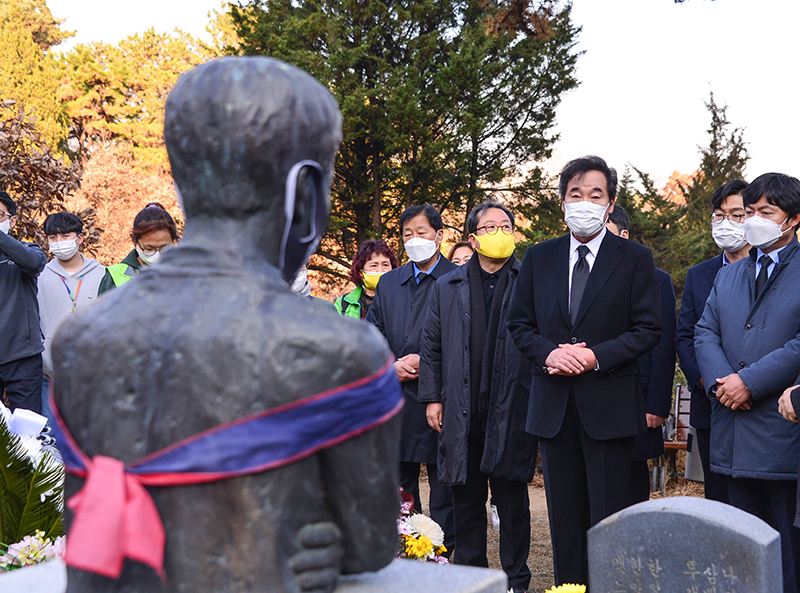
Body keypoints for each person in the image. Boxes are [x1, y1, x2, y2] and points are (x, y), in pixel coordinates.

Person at [51, 56, 402, 592]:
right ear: (306, 193)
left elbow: (92, 524)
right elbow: (370, 544)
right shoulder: (341, 350)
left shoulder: (77, 339)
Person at [507, 155, 662, 586]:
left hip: (609, 405)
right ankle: (569, 586)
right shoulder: (540, 257)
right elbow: (519, 324)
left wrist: (596, 355)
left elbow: (648, 328)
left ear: (610, 203)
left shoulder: (633, 257)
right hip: (553, 406)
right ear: (562, 202)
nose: (585, 202)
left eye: (596, 194)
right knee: (564, 517)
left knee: (608, 515)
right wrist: (549, 354)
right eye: (576, 194)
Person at [420, 201, 537, 592]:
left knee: (513, 502)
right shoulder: (447, 285)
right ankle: (472, 578)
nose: (499, 232)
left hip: (510, 405)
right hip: (461, 408)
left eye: (506, 225)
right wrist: (433, 398)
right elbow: (432, 345)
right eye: (489, 226)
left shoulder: (528, 279)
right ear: (473, 237)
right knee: (466, 501)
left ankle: (516, 579)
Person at [695, 172, 800, 593]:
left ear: (792, 219)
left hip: (782, 434)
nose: (754, 220)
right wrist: (724, 384)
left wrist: (749, 383)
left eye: (765, 212)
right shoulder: (730, 275)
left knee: (785, 557)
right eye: (750, 211)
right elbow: (705, 331)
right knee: (740, 556)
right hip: (732, 432)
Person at [365, 204, 457, 553]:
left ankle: (448, 556)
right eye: (407, 234)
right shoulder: (390, 283)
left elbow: (466, 339)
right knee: (402, 488)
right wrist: (391, 364)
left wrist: (427, 361)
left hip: (442, 398)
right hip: (397, 397)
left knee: (446, 485)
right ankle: (408, 554)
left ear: (438, 235)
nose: (414, 240)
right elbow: (371, 335)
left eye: (421, 232)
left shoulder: (457, 279)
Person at [676, 179, 750, 504]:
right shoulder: (699, 274)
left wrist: (749, 383)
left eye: (737, 215)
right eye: (719, 215)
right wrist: (711, 382)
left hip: (760, 403)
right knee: (718, 496)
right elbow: (687, 335)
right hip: (711, 403)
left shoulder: (773, 272)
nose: (725, 223)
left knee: (757, 499)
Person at [605, 205, 676, 504]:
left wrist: (657, 404)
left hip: (638, 396)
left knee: (632, 482)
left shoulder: (656, 279)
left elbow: (664, 344)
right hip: (593, 393)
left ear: (624, 235)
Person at [37, 212, 105, 420]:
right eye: (53, 238)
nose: (59, 242)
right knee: (51, 442)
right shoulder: (39, 276)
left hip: (92, 376)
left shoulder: (102, 273)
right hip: (49, 376)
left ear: (80, 238)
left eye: (66, 236)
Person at [0, 192, 46, 414]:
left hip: (22, 356)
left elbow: (34, 264)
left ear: (12, 220)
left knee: (28, 431)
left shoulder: (29, 251)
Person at [97, 202, 179, 294]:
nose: (157, 254)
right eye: (149, 248)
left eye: (165, 248)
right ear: (134, 240)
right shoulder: (115, 276)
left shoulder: (186, 273)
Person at [334, 239, 399, 319]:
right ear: (361, 272)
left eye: (385, 265)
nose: (380, 270)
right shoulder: (343, 304)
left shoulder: (402, 301)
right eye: (374, 265)